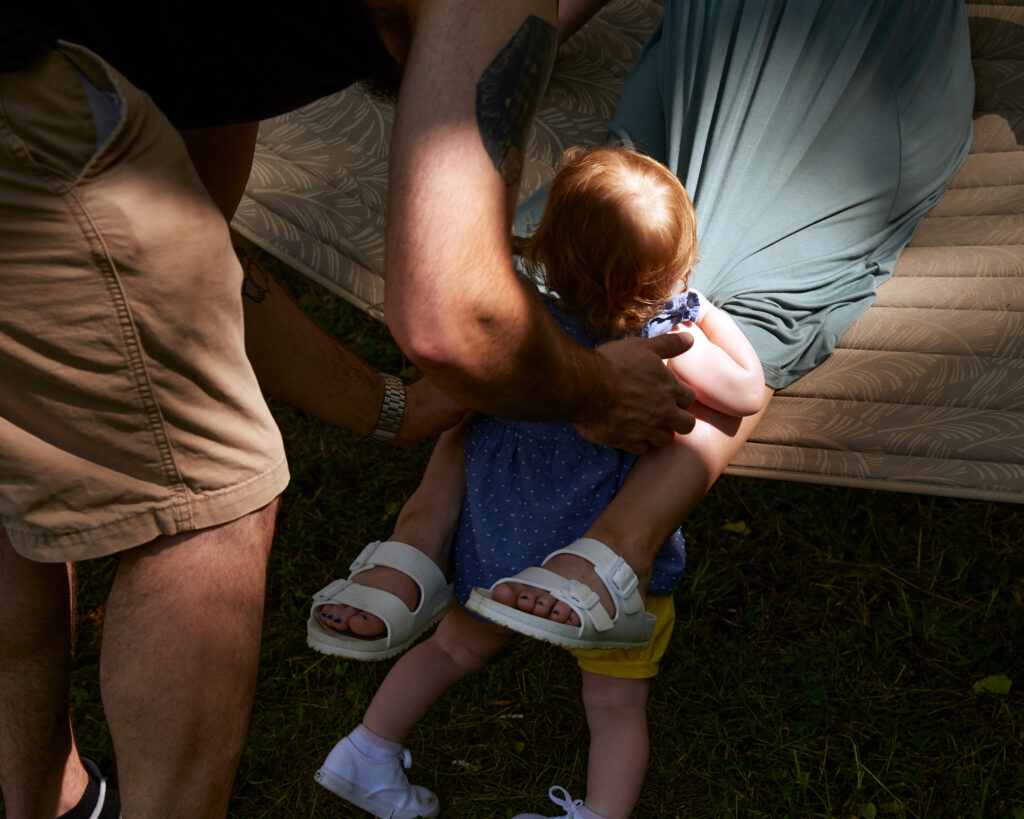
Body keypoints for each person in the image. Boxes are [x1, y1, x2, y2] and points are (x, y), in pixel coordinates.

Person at [0, 2, 695, 817]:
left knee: (18, 436)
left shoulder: (212, 43)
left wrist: (387, 406)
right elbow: (454, 316)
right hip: (29, 84)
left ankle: (45, 801)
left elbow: (197, 243)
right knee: (207, 502)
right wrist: (602, 390)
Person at [315, 0, 976, 657]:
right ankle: (423, 526)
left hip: (866, 52)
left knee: (743, 292)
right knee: (590, 245)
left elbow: (738, 384)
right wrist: (499, 42)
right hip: (718, 40)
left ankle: (618, 546)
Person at [310, 146, 765, 819]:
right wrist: (702, 313)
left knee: (454, 645)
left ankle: (367, 749)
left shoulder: (524, 329)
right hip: (600, 571)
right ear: (664, 275)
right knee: (613, 703)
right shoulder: (662, 336)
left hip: (501, 542)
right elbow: (749, 391)